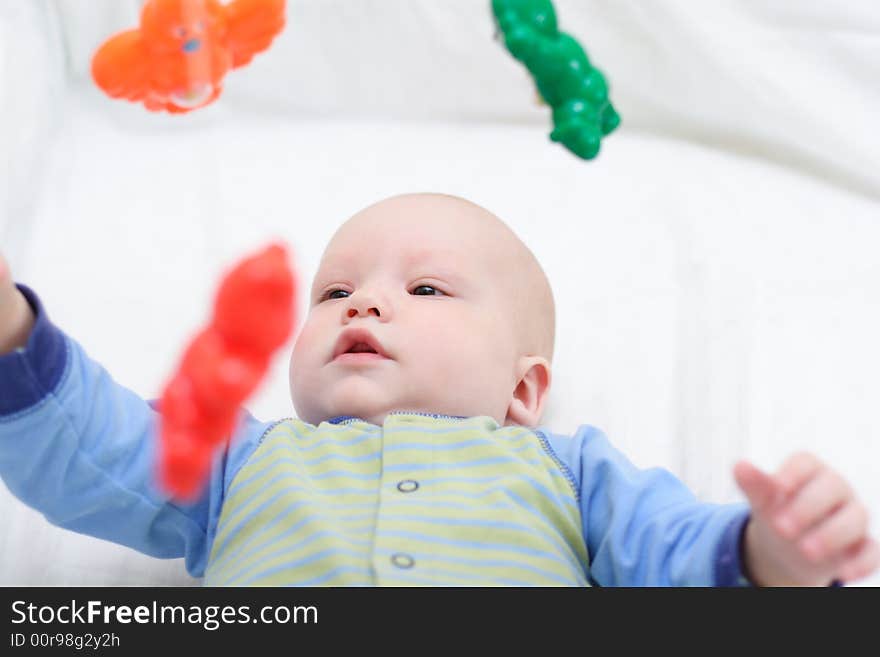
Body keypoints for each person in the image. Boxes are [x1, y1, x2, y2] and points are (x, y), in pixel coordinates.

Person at [0, 193, 876, 586]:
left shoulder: (569, 473)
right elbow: (99, 449)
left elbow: (678, 552)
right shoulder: (245, 462)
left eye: (426, 290)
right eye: (335, 291)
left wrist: (773, 558)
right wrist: (12, 334)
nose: (366, 300)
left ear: (523, 390)